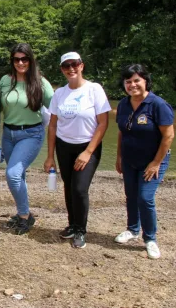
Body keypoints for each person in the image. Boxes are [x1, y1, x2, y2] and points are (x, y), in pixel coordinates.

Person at [43, 52, 111, 248]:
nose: (71, 69)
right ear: (62, 69)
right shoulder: (59, 93)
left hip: (87, 146)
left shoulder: (94, 89)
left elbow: (103, 123)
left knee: (80, 189)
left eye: (75, 64)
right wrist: (49, 156)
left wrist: (88, 152)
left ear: (82, 66)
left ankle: (81, 230)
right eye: (66, 66)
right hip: (64, 146)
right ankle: (72, 224)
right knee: (68, 186)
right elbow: (53, 126)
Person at [0, 43, 54, 235]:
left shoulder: (40, 83)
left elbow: (57, 109)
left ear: (30, 60)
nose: (20, 62)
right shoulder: (4, 81)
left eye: (24, 59)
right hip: (8, 134)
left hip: (31, 134)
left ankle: (25, 216)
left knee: (12, 174)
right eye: (16, 59)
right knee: (20, 175)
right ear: (12, 61)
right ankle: (22, 214)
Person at [114, 64, 174, 259]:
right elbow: (122, 132)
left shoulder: (158, 105)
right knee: (131, 195)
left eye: (137, 80)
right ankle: (132, 230)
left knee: (145, 198)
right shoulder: (123, 104)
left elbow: (168, 136)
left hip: (153, 161)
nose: (132, 85)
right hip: (130, 159)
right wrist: (119, 156)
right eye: (128, 81)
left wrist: (156, 162)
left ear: (146, 81)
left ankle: (150, 239)